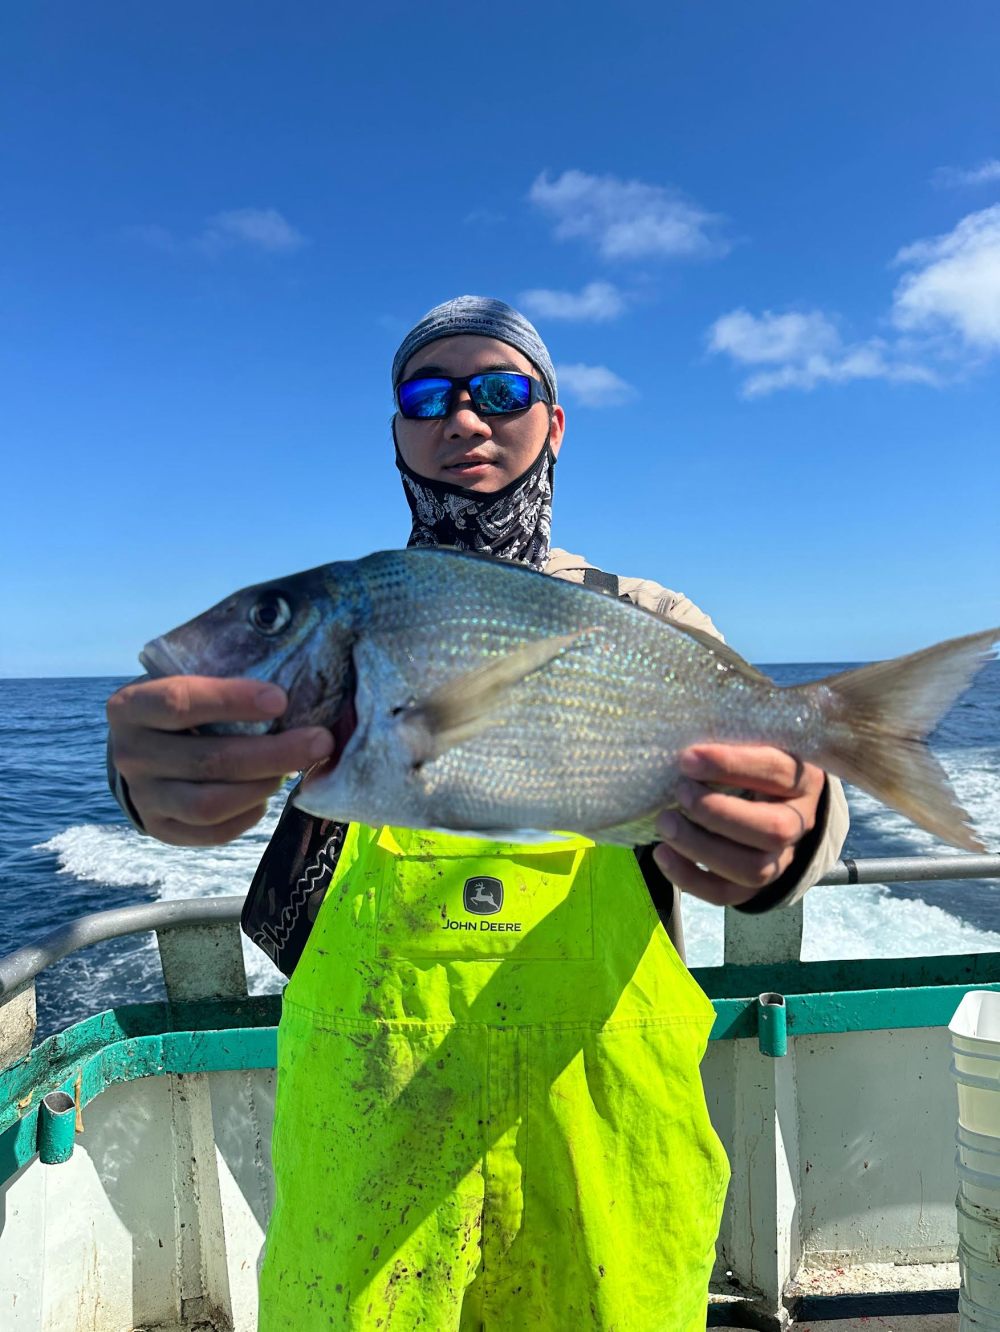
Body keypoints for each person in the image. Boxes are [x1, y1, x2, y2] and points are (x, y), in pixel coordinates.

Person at [107, 296, 849, 1330]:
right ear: (398, 433)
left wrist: (798, 827)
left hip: (601, 1112)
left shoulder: (650, 618)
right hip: (372, 1126)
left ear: (553, 421)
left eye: (502, 391)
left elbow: (787, 792)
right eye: (428, 395)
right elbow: (186, 772)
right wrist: (149, 787)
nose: (465, 419)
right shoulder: (343, 618)